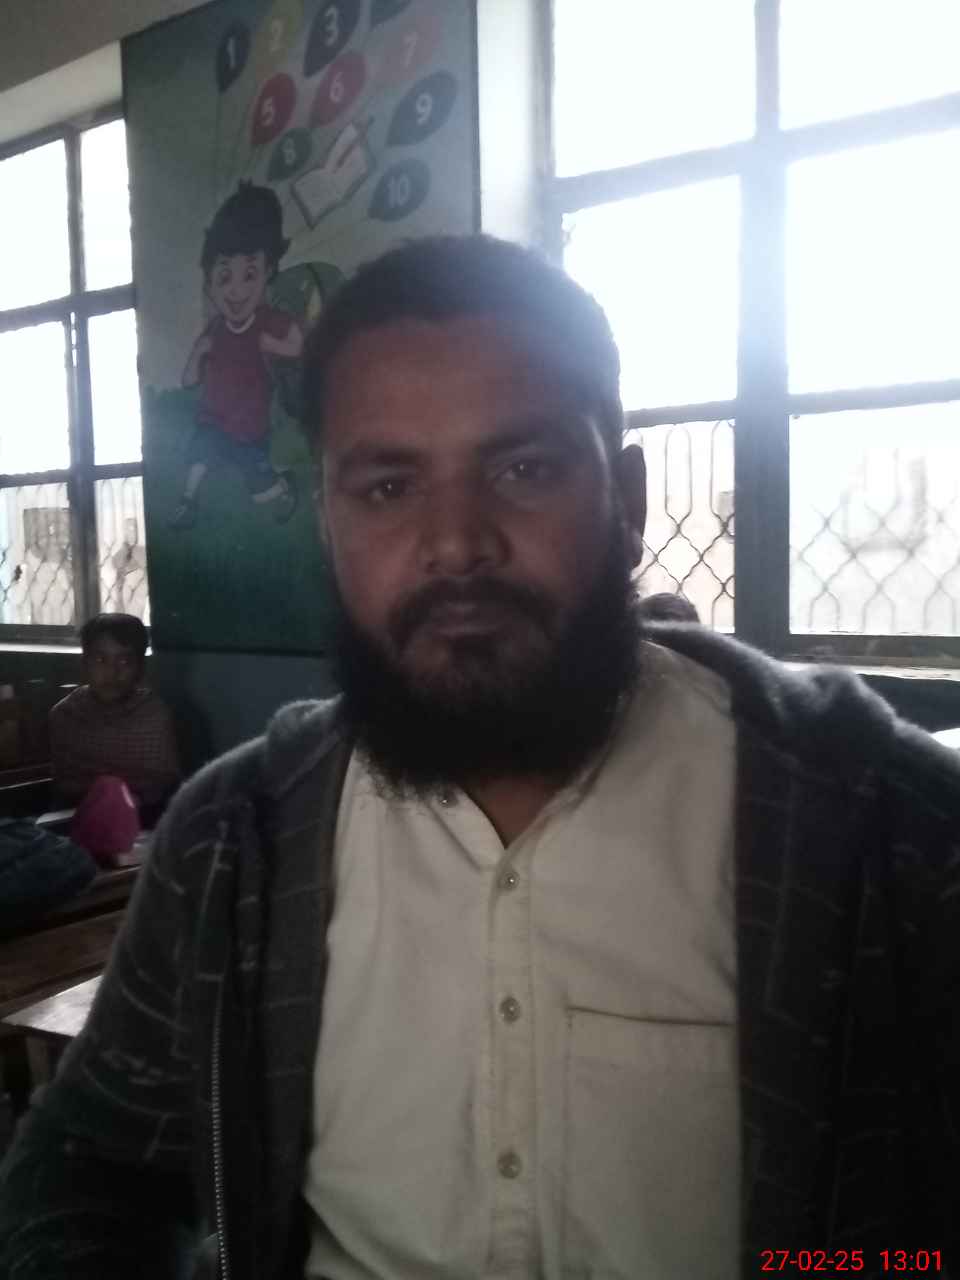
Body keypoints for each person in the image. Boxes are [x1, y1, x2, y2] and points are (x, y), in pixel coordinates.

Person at [2, 235, 960, 1280]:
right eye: (387, 486)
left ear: (629, 501)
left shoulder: (886, 834)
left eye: (524, 469)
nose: (456, 542)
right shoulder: (235, 842)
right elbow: (87, 1160)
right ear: (326, 523)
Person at [173, 181, 303, 529]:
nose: (236, 290)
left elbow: (299, 344)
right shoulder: (215, 330)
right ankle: (188, 502)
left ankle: (284, 486)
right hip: (214, 419)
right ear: (210, 280)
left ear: (268, 272)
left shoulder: (267, 322)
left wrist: (273, 346)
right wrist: (197, 353)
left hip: (249, 427)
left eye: (249, 275)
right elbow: (188, 380)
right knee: (199, 453)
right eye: (224, 276)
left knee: (259, 490)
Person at [48, 614, 180, 849]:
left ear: (140, 667)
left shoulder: (153, 716)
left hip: (144, 825)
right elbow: (64, 784)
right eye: (101, 660)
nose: (113, 672)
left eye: (125, 661)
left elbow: (162, 785)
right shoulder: (66, 714)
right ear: (84, 663)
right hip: (76, 823)